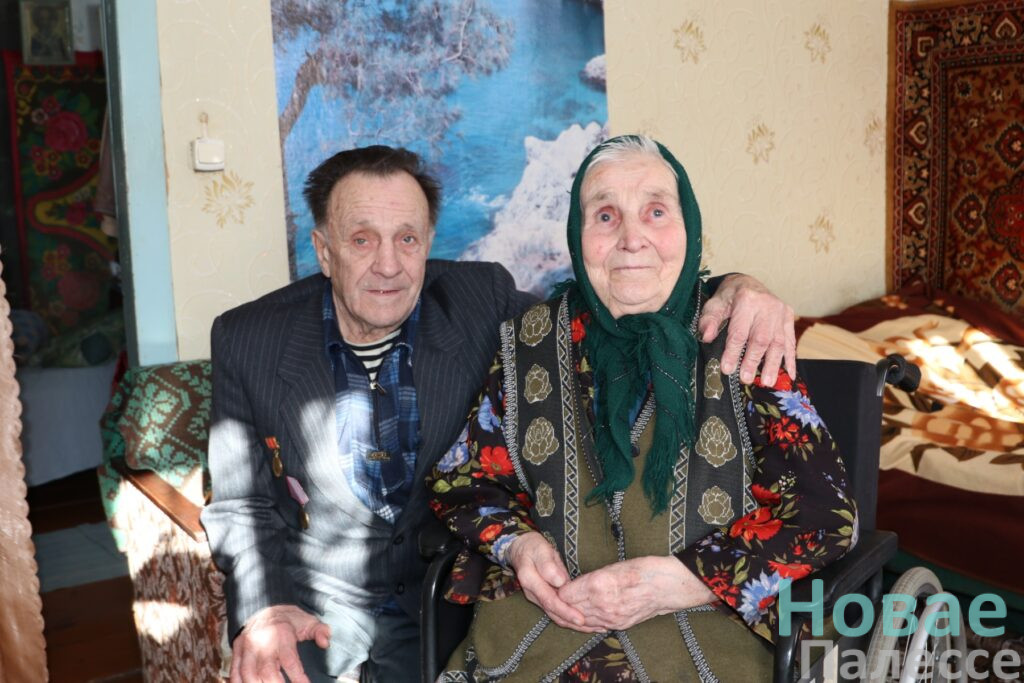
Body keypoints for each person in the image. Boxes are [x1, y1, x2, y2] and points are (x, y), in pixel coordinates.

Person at [201, 144, 799, 683]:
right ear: (323, 250)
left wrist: (738, 285)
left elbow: (618, 292)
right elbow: (240, 504)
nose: (388, 264)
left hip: (435, 599)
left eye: (407, 239)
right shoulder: (247, 339)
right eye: (361, 240)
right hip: (315, 602)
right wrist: (263, 609)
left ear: (429, 242)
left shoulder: (480, 300)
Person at [427, 136, 858, 681]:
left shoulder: (743, 335)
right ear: (578, 235)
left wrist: (690, 579)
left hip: (707, 644)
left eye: (655, 212)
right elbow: (464, 481)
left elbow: (825, 516)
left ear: (688, 227)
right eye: (605, 216)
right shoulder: (531, 341)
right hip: (539, 637)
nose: (632, 239)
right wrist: (517, 544)